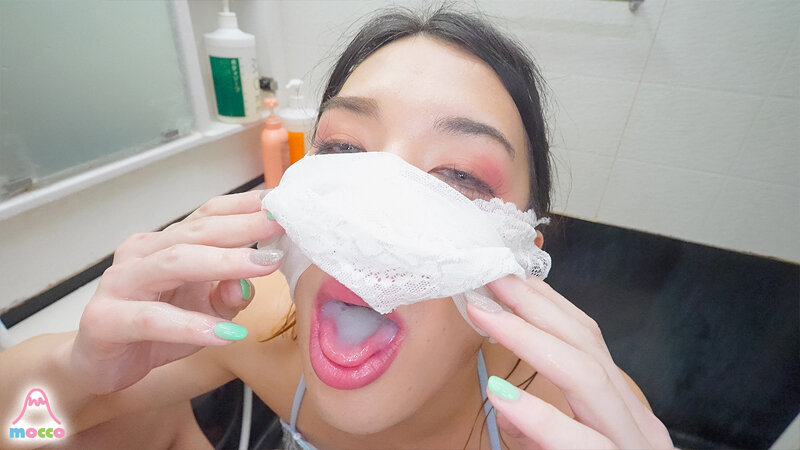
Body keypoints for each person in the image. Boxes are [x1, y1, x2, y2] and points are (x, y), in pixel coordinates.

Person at [0, 6, 673, 449]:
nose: (373, 216)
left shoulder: (572, 416)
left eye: (461, 178)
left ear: (522, 262)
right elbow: (24, 430)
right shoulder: (255, 322)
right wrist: (76, 374)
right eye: (344, 151)